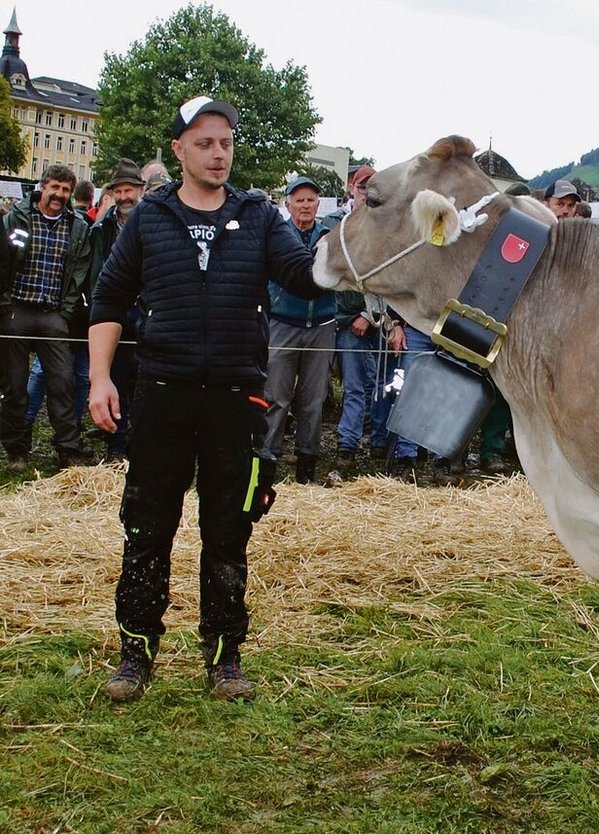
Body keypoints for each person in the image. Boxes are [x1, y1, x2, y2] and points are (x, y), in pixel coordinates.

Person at [88, 95, 325, 703]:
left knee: (228, 531)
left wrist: (363, 240)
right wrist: (100, 378)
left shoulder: (259, 216)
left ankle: (224, 659)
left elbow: (305, 276)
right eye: (204, 143)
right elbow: (109, 301)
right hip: (162, 395)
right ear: (179, 150)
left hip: (234, 400)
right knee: (147, 528)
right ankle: (135, 655)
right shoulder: (148, 218)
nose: (217, 154)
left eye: (225, 142)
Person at [0, 163, 92, 470]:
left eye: (66, 190)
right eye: (54, 187)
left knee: (63, 381)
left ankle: (67, 447)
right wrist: (5, 304)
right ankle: (17, 449)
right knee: (15, 385)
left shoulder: (76, 226)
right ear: (42, 186)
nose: (60, 195)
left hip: (53, 313)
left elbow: (79, 271)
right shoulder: (17, 218)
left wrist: (66, 311)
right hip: (18, 309)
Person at [262, 175, 337, 484]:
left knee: (313, 400)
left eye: (310, 200)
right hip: (283, 322)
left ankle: (307, 464)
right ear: (288, 203)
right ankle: (268, 458)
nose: (305, 205)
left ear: (318, 204)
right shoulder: (277, 235)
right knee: (276, 396)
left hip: (321, 325)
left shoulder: (329, 237)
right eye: (299, 200)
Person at [328, 166, 395, 473]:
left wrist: (370, 315)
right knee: (355, 386)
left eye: (372, 187)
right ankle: (348, 444)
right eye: (362, 187)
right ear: (352, 189)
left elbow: (389, 276)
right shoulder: (338, 227)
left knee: (381, 384)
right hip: (344, 319)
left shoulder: (386, 230)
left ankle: (378, 442)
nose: (366, 192)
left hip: (378, 318)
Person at [85, 158, 146, 460]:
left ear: (141, 190)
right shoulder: (103, 227)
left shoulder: (152, 221)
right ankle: (116, 446)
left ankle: (140, 444)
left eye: (129, 190)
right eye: (119, 191)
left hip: (147, 312)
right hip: (115, 312)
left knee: (145, 380)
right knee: (115, 378)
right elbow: (94, 269)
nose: (124, 197)